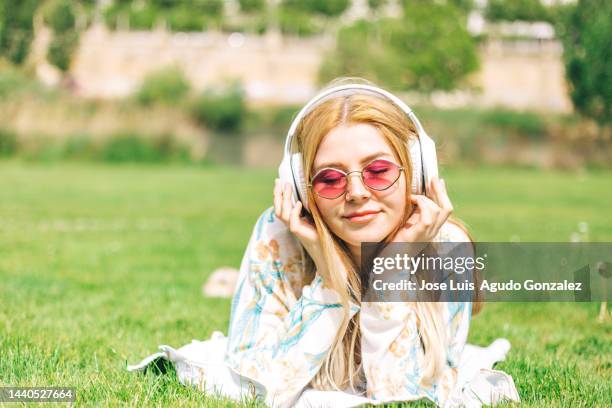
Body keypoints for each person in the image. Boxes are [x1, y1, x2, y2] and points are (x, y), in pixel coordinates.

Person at [128, 80, 520, 408]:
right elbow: (262, 385)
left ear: (417, 172)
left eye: (379, 171)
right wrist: (331, 276)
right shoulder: (279, 235)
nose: (355, 192)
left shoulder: (447, 248)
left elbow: (404, 394)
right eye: (329, 179)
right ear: (302, 188)